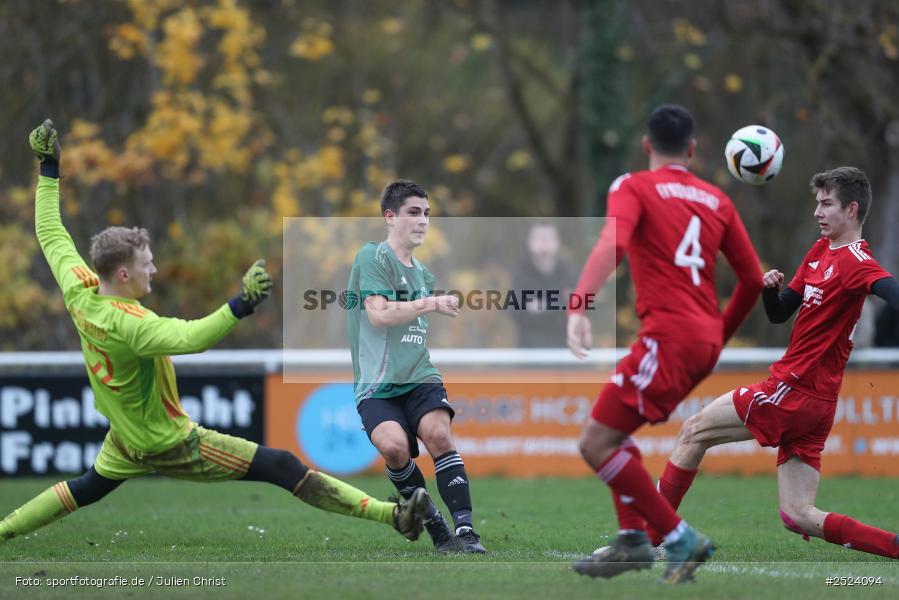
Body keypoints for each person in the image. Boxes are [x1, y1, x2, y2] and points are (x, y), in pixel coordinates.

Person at [0, 120, 429, 546]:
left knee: (87, 486)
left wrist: (49, 167)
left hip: (126, 433)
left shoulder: (81, 287)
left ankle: (3, 532)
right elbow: (191, 338)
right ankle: (394, 517)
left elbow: (50, 231)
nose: (154, 269)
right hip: (165, 440)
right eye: (147, 263)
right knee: (280, 465)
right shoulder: (131, 325)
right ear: (124, 272)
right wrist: (239, 305)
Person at [659, 166, 899, 559]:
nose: (817, 213)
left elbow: (891, 290)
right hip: (816, 403)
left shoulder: (857, 261)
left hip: (794, 389)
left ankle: (648, 536)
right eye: (816, 204)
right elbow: (780, 312)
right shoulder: (821, 251)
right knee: (798, 514)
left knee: (693, 431)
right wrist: (769, 291)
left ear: (852, 209)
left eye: (827, 204)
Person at [566, 105, 763, 582]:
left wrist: (578, 304)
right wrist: (718, 334)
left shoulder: (632, 185)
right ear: (692, 150)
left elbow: (612, 245)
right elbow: (754, 280)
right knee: (615, 435)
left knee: (594, 443)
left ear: (646, 144)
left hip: (668, 337)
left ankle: (678, 537)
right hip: (702, 342)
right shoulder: (718, 199)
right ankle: (633, 540)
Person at [346, 179, 485, 553]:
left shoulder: (423, 274)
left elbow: (408, 331)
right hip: (377, 385)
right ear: (389, 217)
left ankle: (467, 532)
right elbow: (377, 315)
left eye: (426, 214)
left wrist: (431, 302)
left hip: (420, 378)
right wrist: (431, 304)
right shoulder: (372, 257)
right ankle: (438, 531)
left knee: (440, 436)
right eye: (412, 213)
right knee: (393, 449)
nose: (422, 221)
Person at [509, 223, 577, 348]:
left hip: (564, 351)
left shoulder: (569, 273)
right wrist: (560, 302)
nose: (544, 243)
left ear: (558, 242)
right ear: (529, 242)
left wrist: (538, 306)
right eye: (539, 238)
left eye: (549, 238)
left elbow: (577, 310)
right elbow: (514, 311)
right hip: (529, 351)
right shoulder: (520, 273)